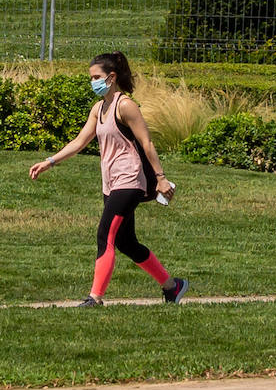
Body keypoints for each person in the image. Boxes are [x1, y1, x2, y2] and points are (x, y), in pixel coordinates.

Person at [29, 51, 188, 307]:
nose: (92, 82)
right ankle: (172, 287)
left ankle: (95, 298)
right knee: (127, 243)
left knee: (105, 235)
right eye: (91, 78)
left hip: (130, 181)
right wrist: (49, 162)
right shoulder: (99, 108)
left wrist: (161, 178)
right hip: (111, 183)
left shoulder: (125, 106)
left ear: (111, 77)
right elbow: (80, 142)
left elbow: (147, 143)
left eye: (96, 77)